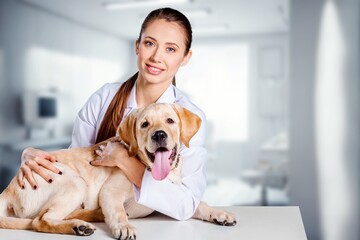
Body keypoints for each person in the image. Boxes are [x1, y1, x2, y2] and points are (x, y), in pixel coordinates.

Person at [16, 7, 207, 221]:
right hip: (91, 219)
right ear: (138, 46)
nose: (156, 57)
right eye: (150, 43)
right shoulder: (103, 98)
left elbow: (185, 205)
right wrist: (34, 158)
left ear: (185, 58)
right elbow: (77, 163)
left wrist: (123, 160)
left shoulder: (188, 116)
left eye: (171, 49)